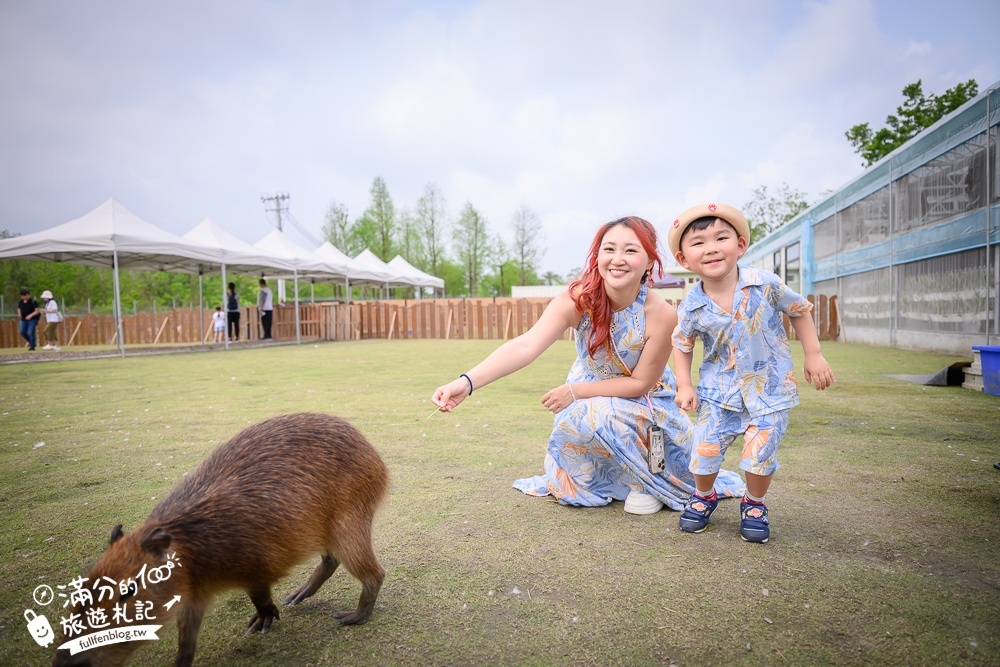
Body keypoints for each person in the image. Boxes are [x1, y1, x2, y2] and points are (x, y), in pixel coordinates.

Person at [432, 216, 744, 514]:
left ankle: (645, 481)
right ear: (597, 256)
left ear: (650, 262)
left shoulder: (661, 314)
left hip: (646, 401)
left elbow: (640, 383)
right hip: (588, 389)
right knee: (581, 417)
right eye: (609, 249)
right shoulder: (578, 300)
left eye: (630, 250)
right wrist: (466, 383)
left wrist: (575, 392)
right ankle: (607, 478)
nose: (618, 259)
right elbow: (526, 345)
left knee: (593, 411)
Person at [668, 203, 836, 543]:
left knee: (760, 454)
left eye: (721, 238)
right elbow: (682, 344)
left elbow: (799, 310)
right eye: (699, 242)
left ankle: (755, 503)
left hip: (769, 390)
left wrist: (814, 354)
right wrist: (684, 384)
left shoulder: (765, 283)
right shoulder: (691, 307)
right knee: (704, 450)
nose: (712, 248)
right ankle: (704, 496)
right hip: (718, 394)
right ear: (684, 259)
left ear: (740, 245)